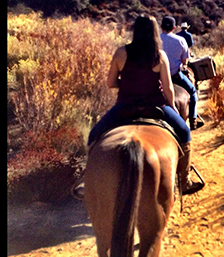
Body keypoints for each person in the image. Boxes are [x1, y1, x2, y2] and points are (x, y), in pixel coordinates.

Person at [83, 15, 204, 196]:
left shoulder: (121, 53)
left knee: (94, 135)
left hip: (124, 107)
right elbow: (169, 89)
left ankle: (87, 181)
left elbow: (110, 83)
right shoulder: (159, 56)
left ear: (135, 30)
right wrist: (172, 109)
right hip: (154, 106)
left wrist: (125, 85)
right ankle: (185, 181)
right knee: (185, 133)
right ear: (155, 32)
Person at [160, 16, 203, 130]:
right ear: (174, 28)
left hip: (158, 78)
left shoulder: (154, 40)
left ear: (161, 27)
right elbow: (184, 61)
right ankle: (193, 119)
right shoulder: (181, 40)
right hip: (175, 76)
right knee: (193, 92)